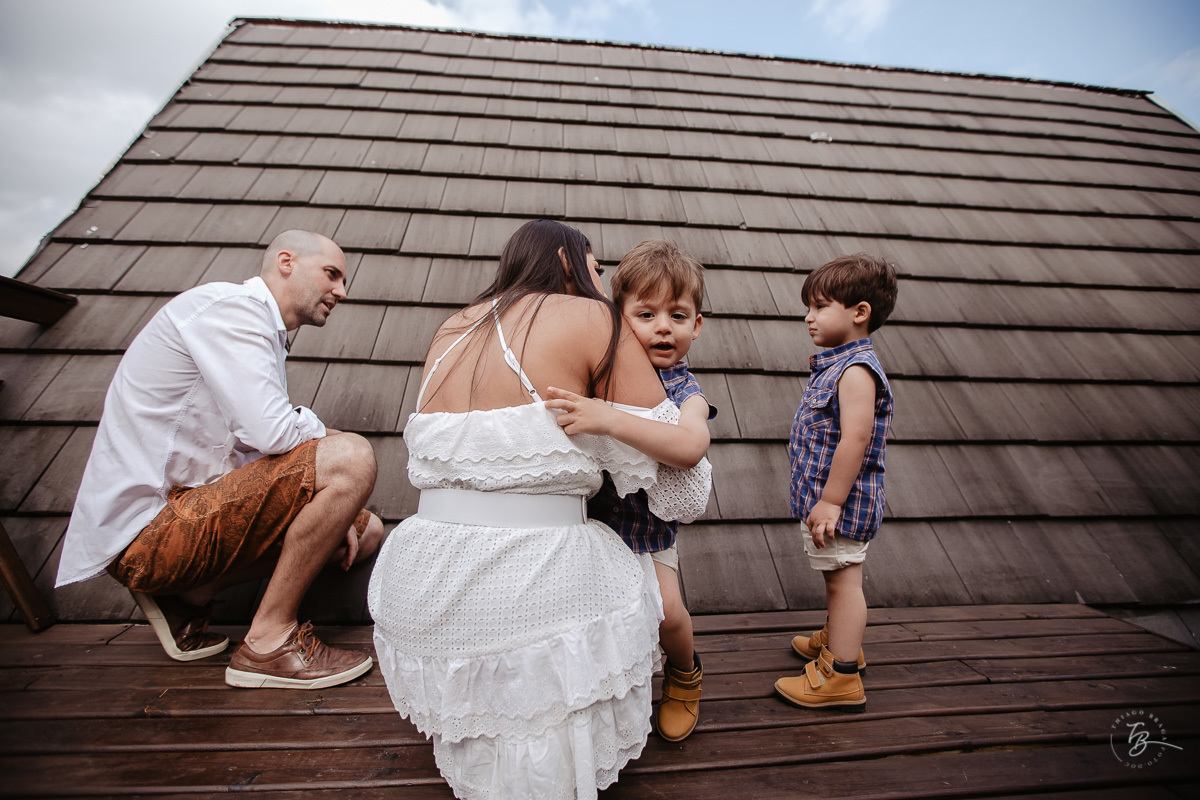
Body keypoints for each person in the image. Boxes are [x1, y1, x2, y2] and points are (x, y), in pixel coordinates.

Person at [368, 220, 711, 799]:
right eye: (596, 268)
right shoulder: (590, 318)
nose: (600, 284)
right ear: (566, 260)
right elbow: (686, 486)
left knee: (665, 607)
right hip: (536, 572)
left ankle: (683, 674)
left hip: (423, 576)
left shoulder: (451, 327)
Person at [56, 229, 384, 690]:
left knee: (366, 529)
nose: (341, 291)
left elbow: (258, 450)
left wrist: (333, 509)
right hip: (150, 532)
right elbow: (272, 433)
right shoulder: (233, 310)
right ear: (286, 262)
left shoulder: (260, 331)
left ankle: (190, 596)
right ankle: (268, 642)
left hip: (188, 515)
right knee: (352, 456)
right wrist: (332, 443)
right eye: (331, 274)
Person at [544, 239, 714, 742]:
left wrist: (608, 419)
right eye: (646, 314)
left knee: (667, 613)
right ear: (618, 318)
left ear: (696, 326)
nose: (663, 326)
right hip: (594, 526)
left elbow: (689, 447)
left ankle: (684, 673)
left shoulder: (685, 393)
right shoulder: (600, 374)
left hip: (649, 531)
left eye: (677, 315)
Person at [774, 253, 898, 713]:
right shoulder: (837, 365)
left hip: (841, 504)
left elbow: (855, 439)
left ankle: (842, 675)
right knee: (835, 580)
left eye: (820, 306)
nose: (809, 317)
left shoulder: (856, 371)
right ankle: (841, 639)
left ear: (859, 312)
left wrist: (830, 501)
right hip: (829, 502)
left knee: (845, 584)